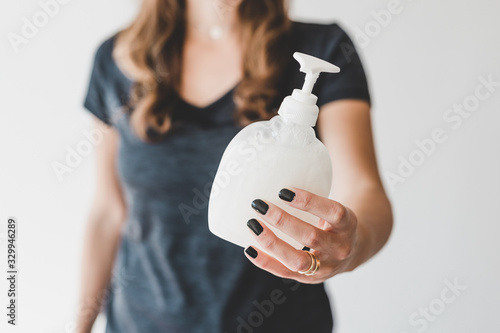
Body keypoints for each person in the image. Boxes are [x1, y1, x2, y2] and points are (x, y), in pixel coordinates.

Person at [77, 0, 393, 332]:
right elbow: (108, 211)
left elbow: (363, 189)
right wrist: (80, 324)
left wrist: (350, 245)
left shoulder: (324, 48)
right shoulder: (118, 60)